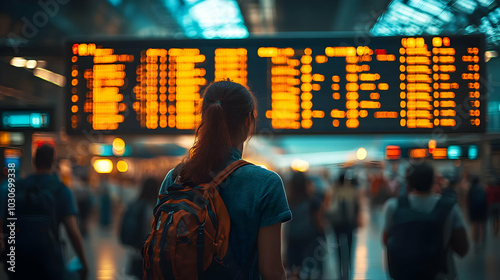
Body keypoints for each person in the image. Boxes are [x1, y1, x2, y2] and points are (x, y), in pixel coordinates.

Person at [158, 80, 292, 279]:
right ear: (248, 121)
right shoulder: (266, 184)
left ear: (205, 118)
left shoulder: (176, 177)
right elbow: (271, 272)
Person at [0, 144, 88, 280]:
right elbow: (73, 232)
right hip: (49, 258)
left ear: (33, 161)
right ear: (53, 163)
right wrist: (83, 263)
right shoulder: (61, 190)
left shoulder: (16, 187)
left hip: (17, 258)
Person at [382, 162, 469, 280]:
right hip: (440, 275)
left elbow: (386, 240)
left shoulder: (393, 206)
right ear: (433, 181)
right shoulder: (450, 208)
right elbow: (462, 250)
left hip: (405, 274)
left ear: (408, 183)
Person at [285, 171, 323, 279]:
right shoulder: (312, 201)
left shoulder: (288, 201)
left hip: (292, 238)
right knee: (308, 268)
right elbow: (319, 220)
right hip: (309, 238)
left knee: (294, 269)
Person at [119, 177, 159, 279]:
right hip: (146, 252)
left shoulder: (135, 203)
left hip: (135, 251)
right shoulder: (150, 207)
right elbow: (149, 229)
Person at [324, 171, 360, 280]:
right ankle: (348, 273)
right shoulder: (352, 191)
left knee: (338, 250)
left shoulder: (334, 190)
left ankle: (340, 274)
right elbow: (357, 206)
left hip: (337, 224)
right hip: (349, 224)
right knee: (349, 249)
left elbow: (327, 206)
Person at [468, 176, 488, 248]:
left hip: (473, 210)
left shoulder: (471, 190)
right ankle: (480, 240)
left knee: (474, 225)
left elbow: (469, 202)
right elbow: (485, 201)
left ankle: (475, 241)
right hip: (482, 210)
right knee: (481, 226)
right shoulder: (482, 189)